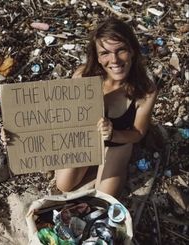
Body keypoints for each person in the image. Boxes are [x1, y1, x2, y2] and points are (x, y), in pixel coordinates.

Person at [55, 17, 158, 197]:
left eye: (121, 50)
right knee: (64, 185)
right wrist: (17, 132)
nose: (114, 60)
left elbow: (138, 133)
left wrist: (112, 134)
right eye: (105, 53)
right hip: (86, 139)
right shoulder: (83, 76)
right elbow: (62, 115)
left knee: (105, 196)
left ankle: (118, 164)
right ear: (98, 57)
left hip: (119, 142)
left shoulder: (145, 90)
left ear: (132, 50)